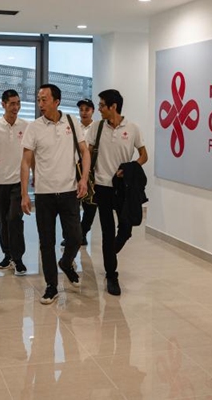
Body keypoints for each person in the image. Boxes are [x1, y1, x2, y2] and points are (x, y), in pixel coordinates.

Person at [21, 84, 90, 305]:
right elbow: (26, 161)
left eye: (44, 99)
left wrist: (84, 179)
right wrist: (24, 194)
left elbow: (84, 151)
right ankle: (51, 286)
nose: (40, 104)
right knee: (46, 242)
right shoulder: (34, 127)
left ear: (57, 101)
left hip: (69, 191)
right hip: (44, 194)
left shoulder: (71, 122)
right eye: (38, 99)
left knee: (76, 237)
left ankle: (66, 263)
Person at [85, 89, 148, 296]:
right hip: (102, 187)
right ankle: (111, 274)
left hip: (122, 188)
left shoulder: (132, 128)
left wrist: (130, 168)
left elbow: (143, 155)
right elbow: (87, 153)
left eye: (102, 105)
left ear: (113, 106)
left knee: (126, 228)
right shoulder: (96, 127)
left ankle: (110, 254)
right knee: (107, 231)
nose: (99, 109)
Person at [0, 89, 29, 276]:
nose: (16, 107)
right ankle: (7, 254)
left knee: (14, 218)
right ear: (3, 104)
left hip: (18, 181)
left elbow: (30, 152)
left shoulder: (26, 125)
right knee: (3, 221)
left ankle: (18, 259)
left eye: (18, 103)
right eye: (12, 104)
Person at [62, 98, 97, 247]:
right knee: (71, 205)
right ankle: (71, 235)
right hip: (73, 168)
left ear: (93, 111)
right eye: (81, 109)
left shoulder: (97, 128)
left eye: (87, 109)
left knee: (90, 206)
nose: (84, 112)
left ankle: (83, 233)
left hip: (92, 170)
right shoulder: (73, 126)